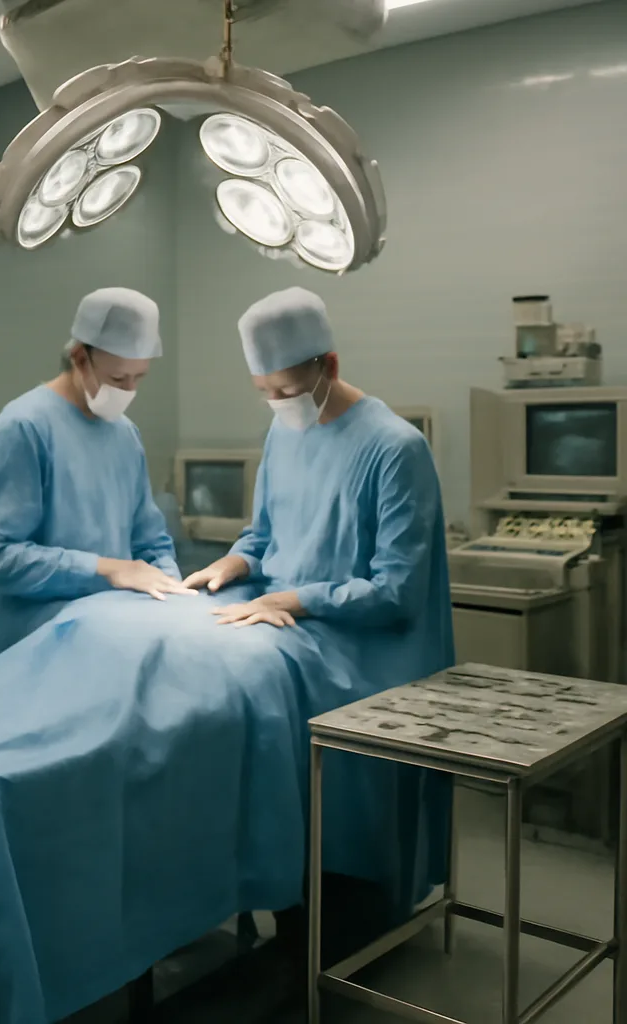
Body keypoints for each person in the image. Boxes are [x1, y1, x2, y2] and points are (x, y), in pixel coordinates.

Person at [185, 286, 454, 955]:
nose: (276, 404)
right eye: (264, 391)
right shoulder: (285, 431)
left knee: (292, 734)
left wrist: (296, 600)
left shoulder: (395, 450)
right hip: (290, 626)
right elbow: (264, 534)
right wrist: (234, 566)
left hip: (368, 656)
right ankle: (262, 877)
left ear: (327, 365)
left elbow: (397, 592)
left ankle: (343, 901)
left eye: (285, 389)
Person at [0, 287, 191, 669]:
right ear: (80, 358)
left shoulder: (124, 433)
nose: (128, 390)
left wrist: (169, 591)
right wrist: (109, 570)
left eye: (138, 378)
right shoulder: (23, 429)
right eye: (117, 378)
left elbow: (149, 540)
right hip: (29, 650)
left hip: (108, 634)